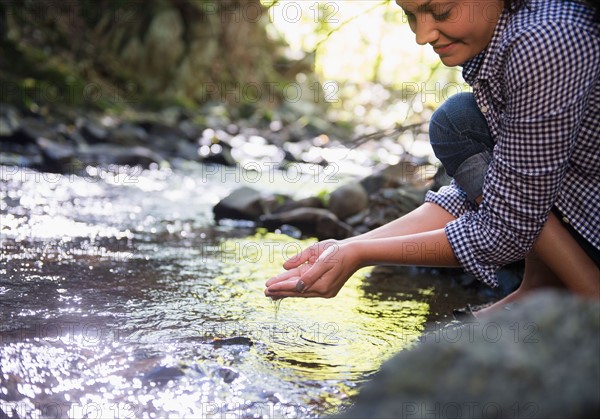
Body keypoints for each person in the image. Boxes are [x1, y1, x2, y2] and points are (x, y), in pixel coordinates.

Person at [265, 0, 600, 315]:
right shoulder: (504, 35)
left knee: (456, 122)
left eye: (440, 12)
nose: (422, 36)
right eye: (411, 15)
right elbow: (498, 190)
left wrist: (361, 254)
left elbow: (505, 231)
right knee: (456, 121)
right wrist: (346, 246)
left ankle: (591, 303)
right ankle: (540, 289)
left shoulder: (543, 39)